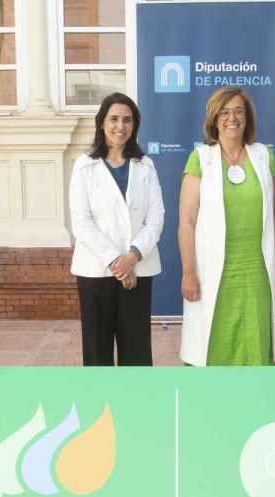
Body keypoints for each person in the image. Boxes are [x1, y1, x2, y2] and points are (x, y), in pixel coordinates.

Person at [179, 87, 275, 366]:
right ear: (214, 119)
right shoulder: (201, 159)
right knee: (214, 341)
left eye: (239, 111)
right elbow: (187, 223)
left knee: (256, 341)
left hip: (256, 269)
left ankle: (255, 403)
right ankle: (211, 405)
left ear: (248, 117)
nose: (232, 118)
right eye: (224, 112)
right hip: (213, 268)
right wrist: (189, 272)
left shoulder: (264, 156)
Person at [69, 92, 165, 366]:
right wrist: (116, 262)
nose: (120, 126)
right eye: (113, 119)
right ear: (101, 123)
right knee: (97, 351)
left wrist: (132, 257)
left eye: (127, 120)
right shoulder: (84, 166)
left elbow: (156, 218)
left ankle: (135, 407)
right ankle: (100, 406)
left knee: (136, 350)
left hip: (139, 269)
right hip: (96, 272)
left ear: (134, 125)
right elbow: (81, 222)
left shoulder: (145, 165)